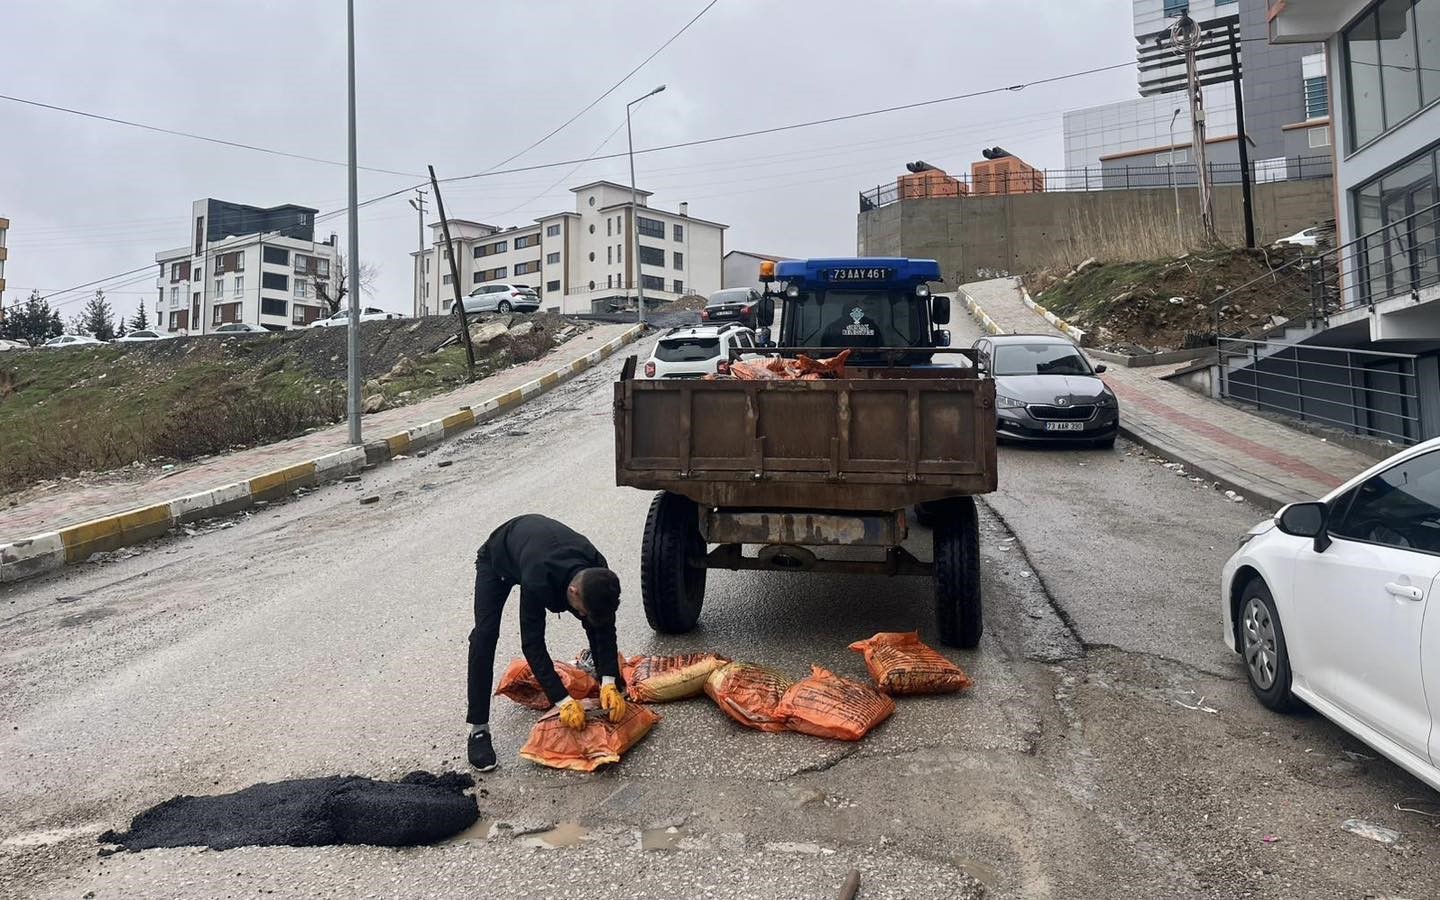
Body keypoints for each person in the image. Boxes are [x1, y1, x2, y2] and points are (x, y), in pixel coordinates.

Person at [466, 514, 626, 771]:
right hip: (499, 561)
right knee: (485, 636)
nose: (581, 615)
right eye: (581, 610)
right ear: (573, 592)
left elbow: (604, 625)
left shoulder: (598, 570)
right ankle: (478, 730)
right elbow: (532, 644)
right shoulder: (537, 578)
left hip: (536, 549)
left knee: (596, 622)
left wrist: (609, 681)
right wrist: (562, 700)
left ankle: (605, 683)